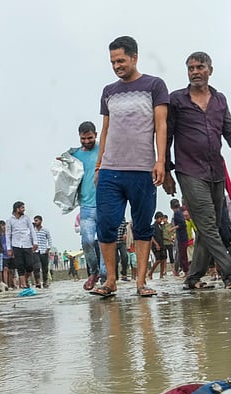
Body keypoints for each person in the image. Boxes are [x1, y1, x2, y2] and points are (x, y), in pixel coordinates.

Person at [164, 52, 231, 289]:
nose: (195, 71)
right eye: (191, 68)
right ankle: (230, 275)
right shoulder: (177, 99)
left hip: (216, 171)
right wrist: (166, 170)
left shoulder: (220, 100)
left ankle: (193, 278)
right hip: (189, 170)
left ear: (210, 70)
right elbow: (166, 136)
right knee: (208, 224)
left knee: (213, 227)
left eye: (200, 67)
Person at [90, 35, 168, 298]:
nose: (116, 66)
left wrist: (160, 161)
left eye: (121, 60)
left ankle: (141, 282)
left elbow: (161, 125)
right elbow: (105, 129)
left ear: (134, 57)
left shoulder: (154, 85)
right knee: (107, 224)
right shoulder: (108, 91)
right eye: (113, 62)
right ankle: (110, 281)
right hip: (111, 169)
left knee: (143, 225)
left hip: (143, 169)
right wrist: (98, 166)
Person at [64, 121, 106, 290]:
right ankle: (93, 272)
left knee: (105, 242)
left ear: (95, 134)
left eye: (90, 138)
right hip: (86, 206)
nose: (87, 141)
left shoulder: (103, 150)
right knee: (87, 241)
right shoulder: (74, 156)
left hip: (105, 203)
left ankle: (105, 278)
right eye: (83, 139)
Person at [6, 201, 39, 289]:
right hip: (16, 245)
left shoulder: (26, 218)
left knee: (29, 265)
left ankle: (24, 280)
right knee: (20, 265)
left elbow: (32, 230)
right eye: (22, 208)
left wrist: (35, 242)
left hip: (27, 244)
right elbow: (8, 234)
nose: (24, 209)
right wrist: (9, 248)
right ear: (17, 209)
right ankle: (24, 284)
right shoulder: (9, 220)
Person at [33, 215, 53, 288]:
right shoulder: (32, 230)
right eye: (34, 221)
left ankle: (45, 282)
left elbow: (49, 239)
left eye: (37, 220)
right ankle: (37, 283)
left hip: (44, 251)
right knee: (36, 267)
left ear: (41, 221)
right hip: (35, 251)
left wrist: (48, 248)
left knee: (45, 268)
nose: (35, 222)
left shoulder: (45, 230)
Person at [147, 212, 167, 278]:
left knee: (163, 259)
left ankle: (161, 275)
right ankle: (150, 272)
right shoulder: (153, 226)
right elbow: (151, 237)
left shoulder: (161, 226)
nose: (161, 220)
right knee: (158, 259)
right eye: (160, 219)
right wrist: (156, 244)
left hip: (162, 244)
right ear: (156, 218)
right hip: (155, 245)